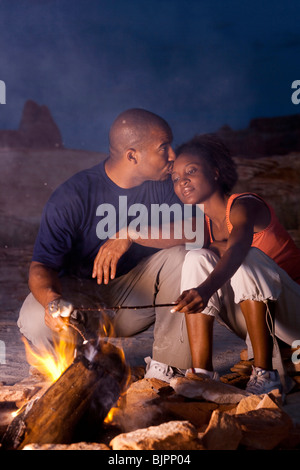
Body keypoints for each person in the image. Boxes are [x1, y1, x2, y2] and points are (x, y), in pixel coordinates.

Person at [17, 108, 194, 380]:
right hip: (79, 305)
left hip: (134, 299)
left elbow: (198, 229)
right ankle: (70, 362)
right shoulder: (73, 195)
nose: (173, 155)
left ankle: (166, 368)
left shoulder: (165, 187)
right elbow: (41, 266)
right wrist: (53, 302)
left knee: (185, 257)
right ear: (132, 155)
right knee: (33, 316)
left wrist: (131, 233)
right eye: (164, 147)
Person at [170, 134, 300, 394]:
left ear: (215, 173)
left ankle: (266, 374)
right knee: (196, 257)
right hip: (267, 325)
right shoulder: (205, 225)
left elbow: (238, 247)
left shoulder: (244, 204)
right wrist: (126, 235)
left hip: (295, 315)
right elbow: (165, 233)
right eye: (174, 177)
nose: (181, 180)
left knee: (246, 256)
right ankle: (202, 375)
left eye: (191, 171)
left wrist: (205, 290)